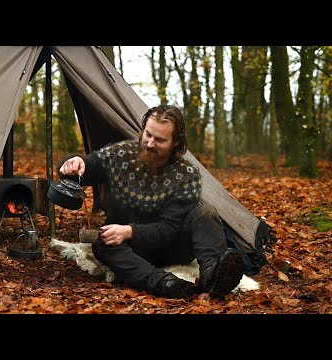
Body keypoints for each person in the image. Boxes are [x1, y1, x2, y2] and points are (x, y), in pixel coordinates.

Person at [58, 105, 246, 299]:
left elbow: (168, 229)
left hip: (173, 247)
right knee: (102, 243)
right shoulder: (121, 154)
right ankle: (164, 283)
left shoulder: (187, 175)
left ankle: (212, 276)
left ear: (176, 142)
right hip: (133, 250)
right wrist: (74, 163)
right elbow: (89, 167)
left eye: (160, 140)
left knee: (206, 213)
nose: (149, 143)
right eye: (148, 134)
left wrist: (129, 231)